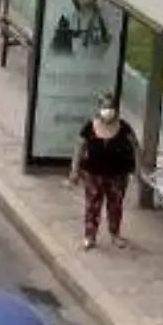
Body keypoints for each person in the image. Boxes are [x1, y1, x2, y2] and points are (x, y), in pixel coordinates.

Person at [68, 93, 138, 250]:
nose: (108, 110)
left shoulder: (124, 128)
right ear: (99, 108)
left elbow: (135, 147)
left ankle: (115, 234)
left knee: (115, 205)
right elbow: (79, 147)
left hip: (117, 175)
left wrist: (137, 169)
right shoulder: (89, 127)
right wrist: (74, 170)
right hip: (93, 174)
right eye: (105, 107)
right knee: (92, 205)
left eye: (111, 107)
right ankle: (90, 236)